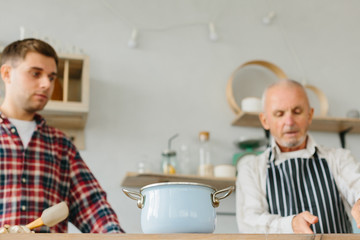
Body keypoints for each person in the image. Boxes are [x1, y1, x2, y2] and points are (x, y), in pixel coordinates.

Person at [0, 38, 125, 233]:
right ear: (7, 73)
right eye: (36, 73)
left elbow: (92, 205)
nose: (46, 84)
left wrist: (114, 236)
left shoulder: (60, 144)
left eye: (51, 77)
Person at [236, 79, 360, 234]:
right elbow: (249, 224)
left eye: (297, 112)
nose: (289, 122)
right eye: (279, 114)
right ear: (265, 120)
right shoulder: (251, 169)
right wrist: (291, 225)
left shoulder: (339, 159)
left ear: (310, 115)